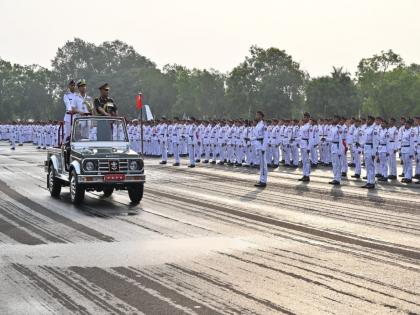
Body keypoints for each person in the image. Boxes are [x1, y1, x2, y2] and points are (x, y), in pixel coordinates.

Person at [250, 111, 268, 188]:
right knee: (261, 164)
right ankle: (261, 179)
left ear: (261, 116)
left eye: (257, 115)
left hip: (261, 146)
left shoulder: (263, 125)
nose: (256, 116)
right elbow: (257, 136)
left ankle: (263, 181)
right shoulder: (258, 125)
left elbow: (266, 137)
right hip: (258, 145)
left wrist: (264, 147)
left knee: (263, 164)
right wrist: (251, 139)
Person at [362, 116, 379, 189]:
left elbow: (375, 142)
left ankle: (372, 182)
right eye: (367, 119)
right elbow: (364, 140)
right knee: (367, 166)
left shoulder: (373, 130)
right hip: (366, 148)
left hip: (371, 148)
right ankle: (368, 182)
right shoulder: (366, 129)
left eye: (369, 120)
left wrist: (373, 153)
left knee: (371, 167)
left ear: (372, 121)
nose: (367, 121)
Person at [299, 112, 311, 182]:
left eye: (305, 117)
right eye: (304, 117)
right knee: (303, 160)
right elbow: (301, 136)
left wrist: (309, 147)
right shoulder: (303, 126)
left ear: (308, 118)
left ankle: (307, 175)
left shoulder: (309, 126)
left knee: (306, 161)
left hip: (306, 143)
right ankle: (304, 174)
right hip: (302, 144)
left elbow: (310, 138)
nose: (304, 118)